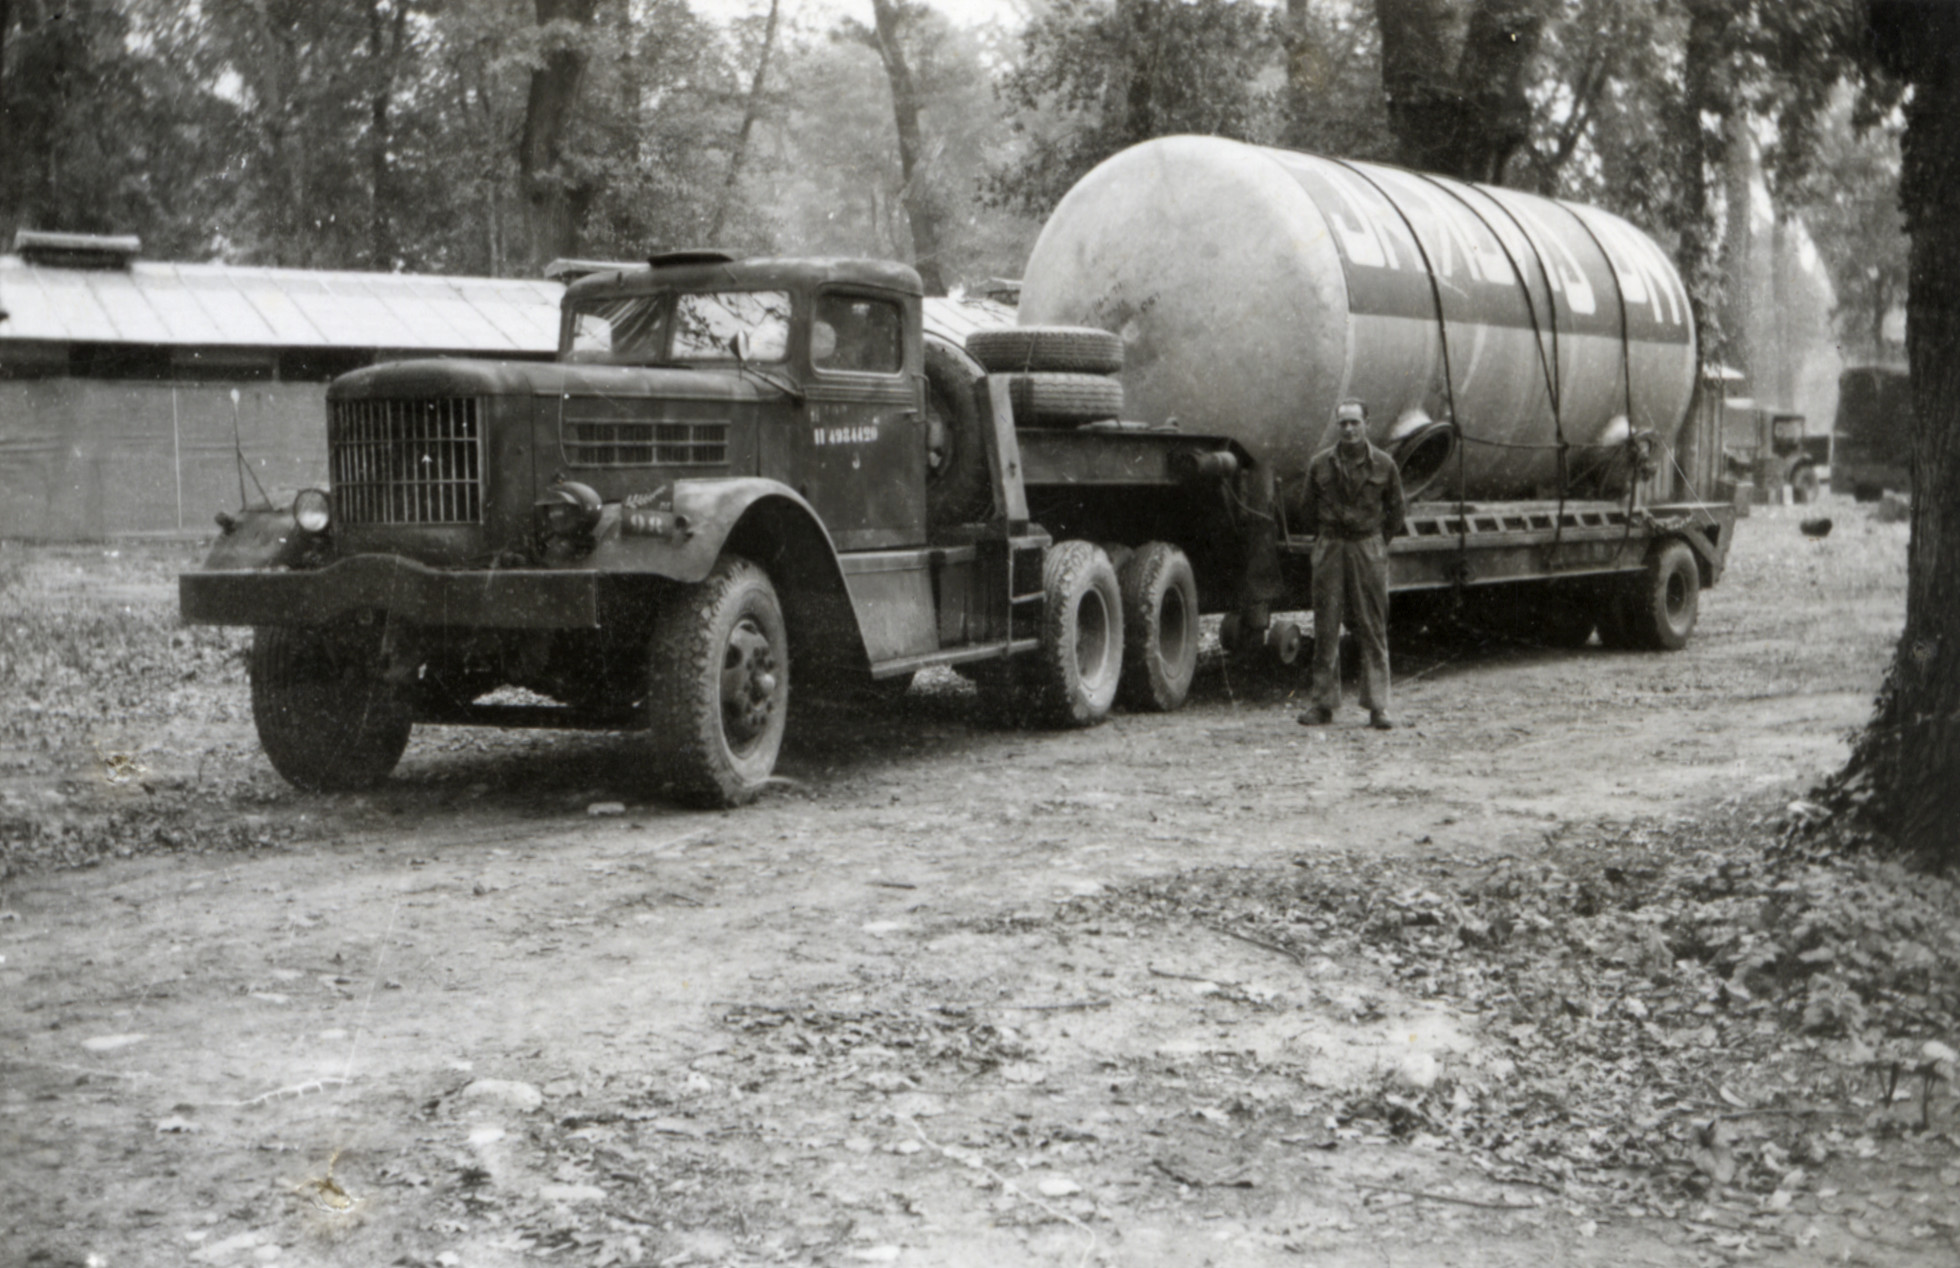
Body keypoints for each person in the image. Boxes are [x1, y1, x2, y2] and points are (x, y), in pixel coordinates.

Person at [1297, 399, 1407, 730]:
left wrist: (1373, 542)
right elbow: (1306, 510)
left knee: (1372, 625)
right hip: (1330, 546)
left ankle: (1378, 707)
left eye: (1354, 422)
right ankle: (1322, 704)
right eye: (1343, 423)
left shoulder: (1385, 465)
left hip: (1367, 545)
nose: (1348, 429)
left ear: (1366, 425)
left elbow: (1396, 512)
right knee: (1326, 624)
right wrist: (1328, 539)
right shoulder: (1319, 465)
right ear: (1337, 425)